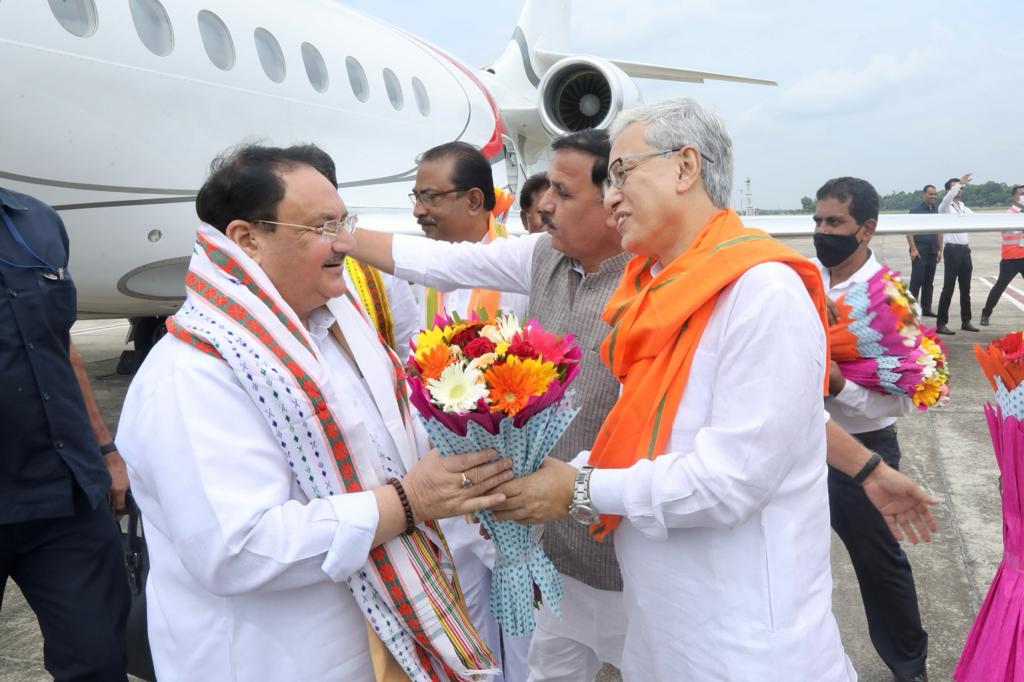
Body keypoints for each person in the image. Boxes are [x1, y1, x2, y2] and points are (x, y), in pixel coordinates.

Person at [349, 129, 937, 681]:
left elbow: (767, 428)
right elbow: (441, 262)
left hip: (635, 560)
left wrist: (867, 466)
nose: (544, 203)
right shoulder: (544, 260)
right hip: (561, 554)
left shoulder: (680, 286)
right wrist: (339, 236)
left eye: (566, 189)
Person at [491, 96, 860, 680]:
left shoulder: (760, 294)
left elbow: (730, 482)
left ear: (685, 168)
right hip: (662, 629)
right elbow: (646, 443)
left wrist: (580, 488)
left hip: (742, 644)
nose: (610, 196)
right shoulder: (655, 291)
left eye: (621, 173)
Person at [115, 144, 514, 681]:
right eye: (321, 226)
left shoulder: (334, 328)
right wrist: (407, 501)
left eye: (342, 221)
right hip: (273, 661)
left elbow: (389, 439)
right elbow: (240, 549)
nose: (343, 242)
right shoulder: (192, 375)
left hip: (376, 642)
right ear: (246, 239)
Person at [407, 140, 532, 680]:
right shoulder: (425, 272)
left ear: (476, 200)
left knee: (524, 636)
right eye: (415, 195)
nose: (418, 210)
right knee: (467, 630)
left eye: (431, 196)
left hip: (511, 488)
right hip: (451, 486)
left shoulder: (524, 267)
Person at [0, 185, 131, 680]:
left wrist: (105, 448)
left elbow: (58, 344)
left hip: (64, 497)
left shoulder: (35, 220)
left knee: (99, 661)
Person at [814, 177, 929, 682]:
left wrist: (840, 385)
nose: (822, 232)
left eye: (834, 222)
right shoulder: (804, 279)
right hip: (803, 444)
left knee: (880, 568)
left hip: (863, 452)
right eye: (817, 221)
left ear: (865, 229)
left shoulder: (890, 300)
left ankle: (909, 668)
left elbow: (904, 399)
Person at [936, 173, 977, 334]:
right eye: (955, 188)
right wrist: (960, 183)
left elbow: (979, 220)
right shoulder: (944, 207)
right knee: (948, 288)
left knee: (966, 288)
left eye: (961, 188)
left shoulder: (965, 208)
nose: (960, 190)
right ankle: (941, 323)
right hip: (952, 250)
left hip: (965, 250)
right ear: (948, 190)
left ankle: (966, 321)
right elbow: (948, 199)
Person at [980, 185, 1024, 326]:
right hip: (1011, 258)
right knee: (1000, 287)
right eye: (1021, 194)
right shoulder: (1008, 214)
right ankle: (986, 313)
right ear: (1014, 197)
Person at [907, 184, 941, 316]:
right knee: (917, 280)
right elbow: (908, 231)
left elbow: (939, 231)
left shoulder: (936, 210)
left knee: (929, 281)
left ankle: (926, 308)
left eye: (935, 194)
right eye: (930, 194)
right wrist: (913, 249)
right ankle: (911, 309)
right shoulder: (915, 210)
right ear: (924, 194)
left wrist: (940, 249)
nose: (933, 196)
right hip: (919, 250)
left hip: (932, 249)